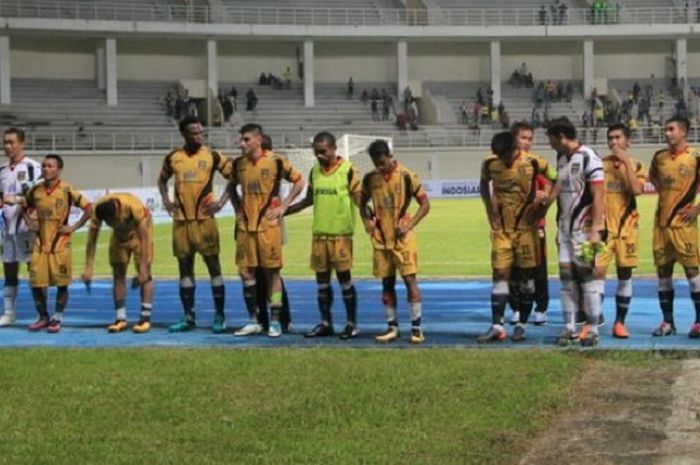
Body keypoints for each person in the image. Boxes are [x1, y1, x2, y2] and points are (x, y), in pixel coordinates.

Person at [227, 123, 304, 338]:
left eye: (246, 140)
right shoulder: (238, 165)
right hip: (245, 227)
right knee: (245, 272)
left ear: (258, 140)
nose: (241, 144)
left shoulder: (276, 161)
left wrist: (284, 205)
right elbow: (231, 187)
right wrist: (237, 210)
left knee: (272, 273)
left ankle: (277, 321)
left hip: (268, 226)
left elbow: (299, 181)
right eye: (241, 140)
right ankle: (254, 320)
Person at [158, 116, 232, 333]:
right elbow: (162, 180)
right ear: (184, 134)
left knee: (214, 267)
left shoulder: (213, 156)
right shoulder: (174, 157)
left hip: (204, 220)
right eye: (195, 133)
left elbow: (234, 177)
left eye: (201, 132)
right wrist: (166, 202)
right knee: (184, 268)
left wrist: (221, 203)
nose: (200, 135)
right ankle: (188, 316)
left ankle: (220, 315)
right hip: (181, 221)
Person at [478, 131, 554, 343]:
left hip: (526, 231)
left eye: (507, 157)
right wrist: (488, 210)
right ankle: (497, 326)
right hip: (502, 230)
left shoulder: (534, 162)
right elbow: (483, 185)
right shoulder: (489, 163)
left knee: (526, 280)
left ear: (515, 150)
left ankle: (521, 324)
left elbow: (556, 178)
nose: (504, 161)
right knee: (500, 274)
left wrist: (545, 201)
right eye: (500, 157)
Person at [285, 132, 362, 339]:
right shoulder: (314, 172)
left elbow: (359, 200)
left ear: (334, 148)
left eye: (323, 151)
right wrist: (286, 210)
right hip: (319, 235)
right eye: (316, 152)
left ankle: (351, 324)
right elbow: (309, 199)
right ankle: (326, 323)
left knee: (344, 281)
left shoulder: (348, 170)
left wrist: (371, 219)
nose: (319, 155)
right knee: (322, 283)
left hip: (341, 235)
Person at [360, 139, 430, 344]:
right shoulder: (370, 178)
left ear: (390, 156)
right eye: (376, 164)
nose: (379, 167)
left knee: (410, 281)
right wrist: (367, 220)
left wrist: (409, 225)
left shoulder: (407, 175)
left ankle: (416, 329)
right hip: (381, 238)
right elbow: (362, 203)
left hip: (403, 238)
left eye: (382, 162)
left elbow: (425, 204)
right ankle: (392, 327)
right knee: (386, 283)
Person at [545, 118, 605, 347]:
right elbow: (557, 192)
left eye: (551, 139)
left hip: (584, 230)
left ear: (561, 136)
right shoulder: (561, 159)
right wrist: (545, 201)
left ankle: (591, 329)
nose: (550, 144)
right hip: (564, 231)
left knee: (587, 277)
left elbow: (599, 195)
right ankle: (569, 327)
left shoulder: (589, 156)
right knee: (566, 279)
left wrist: (596, 230)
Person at [23, 154, 92, 332]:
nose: (46, 169)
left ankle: (57, 317)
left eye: (51, 166)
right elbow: (24, 205)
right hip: (39, 242)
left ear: (59, 170)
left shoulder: (67, 189)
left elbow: (88, 208)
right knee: (36, 282)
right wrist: (29, 222)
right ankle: (43, 316)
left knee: (61, 283)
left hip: (60, 244)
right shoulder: (35, 190)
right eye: (44, 166)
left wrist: (74, 227)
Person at [648, 116, 700, 338]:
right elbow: (653, 177)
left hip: (684, 226)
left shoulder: (695, 157)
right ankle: (668, 322)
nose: (667, 133)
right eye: (665, 129)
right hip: (661, 226)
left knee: (693, 272)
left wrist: (697, 208)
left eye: (671, 129)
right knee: (663, 274)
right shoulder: (659, 157)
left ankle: (698, 321)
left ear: (684, 132)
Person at [593, 124, 646, 339]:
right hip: (604, 231)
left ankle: (620, 323)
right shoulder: (599, 165)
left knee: (625, 275)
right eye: (610, 138)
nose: (613, 142)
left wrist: (625, 163)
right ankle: (594, 321)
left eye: (617, 138)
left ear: (628, 141)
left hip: (627, 231)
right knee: (597, 274)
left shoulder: (638, 165)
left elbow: (637, 190)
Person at [82, 193, 154, 333]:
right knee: (118, 273)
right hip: (119, 236)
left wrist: (144, 269)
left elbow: (145, 238)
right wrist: (88, 267)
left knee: (145, 275)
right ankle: (120, 318)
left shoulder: (133, 207)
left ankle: (145, 318)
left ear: (117, 213)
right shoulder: (99, 210)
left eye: (113, 221)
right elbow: (92, 240)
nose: (111, 224)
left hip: (139, 235)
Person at [508, 122, 554, 327]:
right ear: (513, 139)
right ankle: (516, 308)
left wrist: (543, 198)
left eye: (530, 138)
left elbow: (552, 186)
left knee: (539, 268)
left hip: (535, 225)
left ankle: (541, 308)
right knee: (513, 268)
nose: (527, 142)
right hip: (512, 227)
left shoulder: (538, 163)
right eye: (523, 138)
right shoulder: (506, 163)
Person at [0, 128, 41, 327]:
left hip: (27, 229)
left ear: (22, 143)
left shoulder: (34, 167)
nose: (7, 146)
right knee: (8, 270)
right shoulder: (2, 171)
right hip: (7, 230)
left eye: (11, 142)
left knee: (34, 271)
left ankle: (42, 313)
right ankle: (9, 313)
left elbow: (41, 197)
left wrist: (16, 199)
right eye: (5, 142)